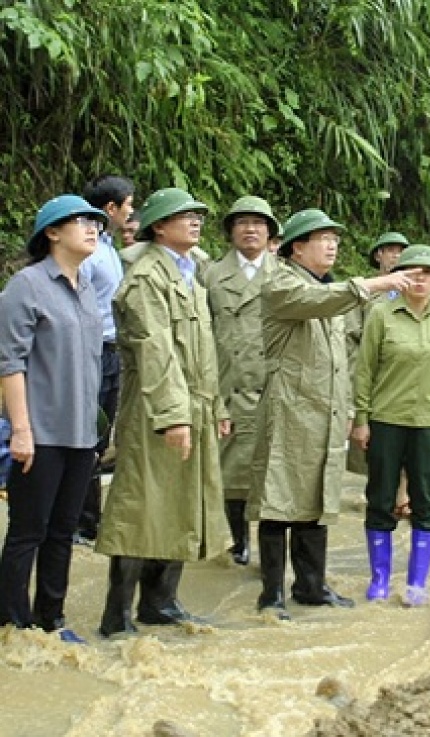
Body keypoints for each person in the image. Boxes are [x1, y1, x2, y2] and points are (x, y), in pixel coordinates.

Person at [248, 208, 415, 621]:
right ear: (297, 248)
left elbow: (341, 361)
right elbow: (316, 302)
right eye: (322, 238)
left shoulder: (326, 287)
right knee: (277, 500)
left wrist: (350, 411)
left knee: (317, 498)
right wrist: (378, 283)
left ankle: (311, 586)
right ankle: (270, 596)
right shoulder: (281, 282)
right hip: (288, 411)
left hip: (324, 412)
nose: (332, 244)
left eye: (335, 238)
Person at [96, 187, 232, 637]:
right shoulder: (145, 279)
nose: (195, 221)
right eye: (184, 216)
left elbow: (204, 350)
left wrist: (217, 406)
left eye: (198, 215)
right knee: (141, 507)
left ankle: (160, 602)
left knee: (182, 504)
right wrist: (174, 416)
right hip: (157, 409)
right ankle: (117, 616)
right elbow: (156, 352)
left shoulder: (190, 272)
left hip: (195, 404)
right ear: (159, 226)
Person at [0, 195, 109, 643]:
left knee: (63, 531)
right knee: (29, 530)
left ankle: (51, 618)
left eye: (96, 223)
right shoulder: (27, 285)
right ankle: (12, 625)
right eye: (81, 221)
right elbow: (9, 362)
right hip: (40, 432)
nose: (92, 229)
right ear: (52, 233)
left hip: (82, 434)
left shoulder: (85, 287)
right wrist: (21, 431)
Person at [352, 245, 430, 605]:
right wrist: (361, 419)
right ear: (400, 278)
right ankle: (380, 579)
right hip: (386, 420)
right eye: (412, 273)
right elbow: (365, 371)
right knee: (381, 498)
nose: (420, 279)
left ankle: (417, 582)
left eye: (427, 274)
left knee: (426, 501)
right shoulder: (381, 316)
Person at [202, 196, 280, 566]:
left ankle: (270, 546)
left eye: (258, 223)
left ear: (270, 233)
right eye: (242, 223)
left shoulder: (283, 275)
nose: (251, 229)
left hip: (272, 386)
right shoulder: (211, 275)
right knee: (231, 470)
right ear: (231, 231)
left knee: (271, 468)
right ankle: (237, 541)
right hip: (227, 384)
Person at [75, 175, 135, 545]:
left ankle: (90, 520)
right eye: (128, 204)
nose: (132, 211)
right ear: (110, 208)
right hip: (91, 353)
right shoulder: (89, 250)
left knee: (98, 440)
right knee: (85, 436)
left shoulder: (108, 247)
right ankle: (79, 522)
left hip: (112, 354)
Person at [345, 231, 411, 511]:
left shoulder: (415, 289)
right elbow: (351, 336)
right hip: (373, 372)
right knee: (375, 438)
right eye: (390, 250)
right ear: (378, 256)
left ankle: (404, 495)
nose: (395, 255)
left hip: (406, 372)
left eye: (400, 250)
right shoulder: (366, 291)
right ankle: (382, 492)